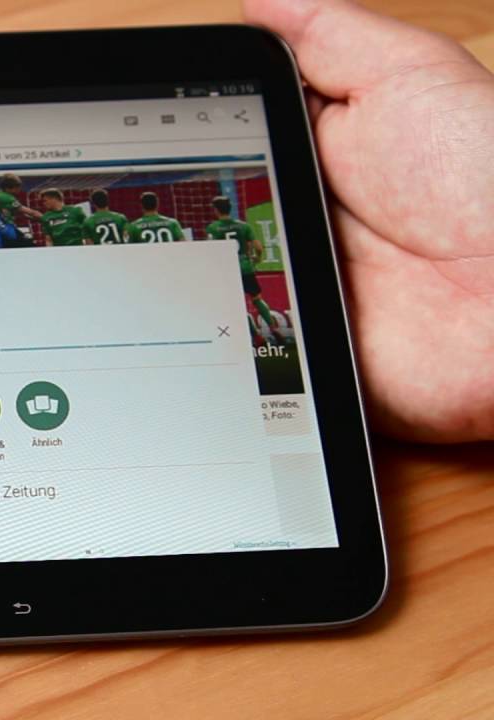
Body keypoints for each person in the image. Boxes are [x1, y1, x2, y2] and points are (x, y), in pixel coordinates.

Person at [245, 0, 494, 442]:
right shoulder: (242, 227)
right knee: (256, 307)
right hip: (247, 270)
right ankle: (269, 328)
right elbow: (260, 248)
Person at [205, 195, 281, 341]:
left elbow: (211, 250)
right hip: (246, 267)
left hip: (227, 271)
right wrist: (257, 258)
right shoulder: (244, 226)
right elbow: (258, 247)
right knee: (257, 298)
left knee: (237, 304)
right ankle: (274, 328)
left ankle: (256, 336)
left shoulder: (212, 228)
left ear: (216, 210)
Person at [0, 174, 41, 248]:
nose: (19, 189)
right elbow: (30, 212)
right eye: (17, 187)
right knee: (30, 246)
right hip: (6, 229)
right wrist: (46, 218)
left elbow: (20, 213)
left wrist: (33, 218)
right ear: (8, 188)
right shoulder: (7, 198)